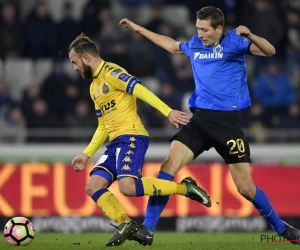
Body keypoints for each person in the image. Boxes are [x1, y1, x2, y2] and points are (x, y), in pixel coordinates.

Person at [120, 6, 300, 246]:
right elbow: (172, 45)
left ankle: (282, 228)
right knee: (168, 165)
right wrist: (140, 29)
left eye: (205, 30)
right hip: (200, 120)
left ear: (219, 28)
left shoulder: (235, 42)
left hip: (227, 124)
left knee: (246, 189)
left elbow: (270, 50)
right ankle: (148, 228)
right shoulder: (195, 44)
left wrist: (250, 36)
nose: (200, 34)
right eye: (198, 28)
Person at [68, 33, 211, 247]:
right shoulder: (93, 88)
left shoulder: (113, 72)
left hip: (131, 136)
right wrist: (86, 154)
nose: (74, 67)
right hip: (115, 143)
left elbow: (141, 91)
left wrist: (167, 112)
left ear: (86, 58)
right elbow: (102, 126)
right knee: (92, 186)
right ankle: (126, 224)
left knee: (127, 187)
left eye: (75, 62)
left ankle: (185, 188)